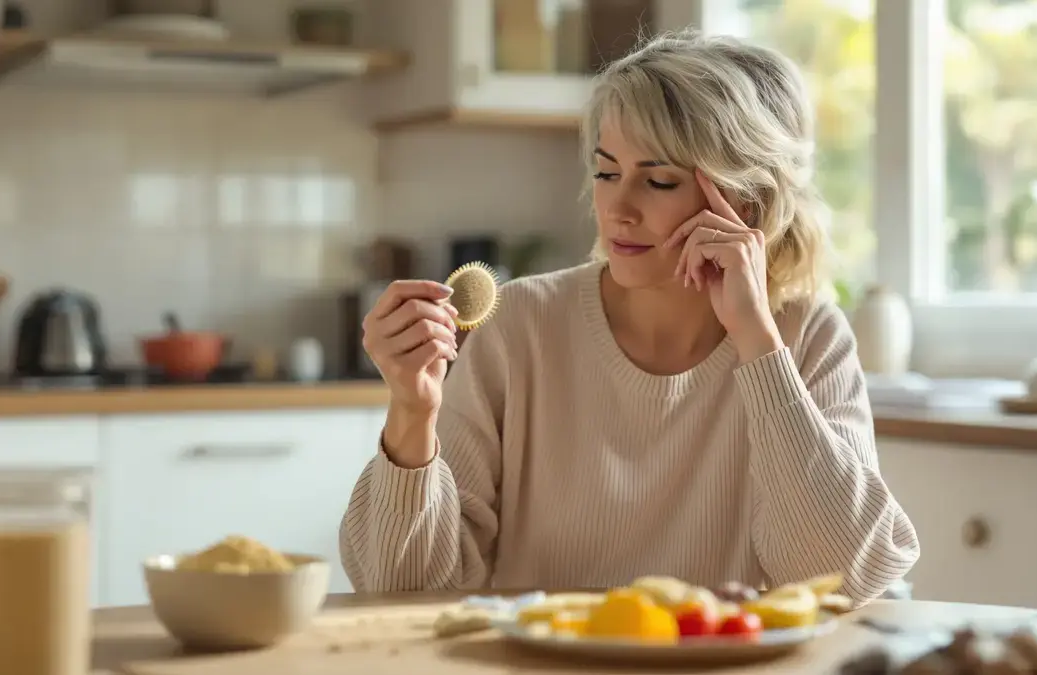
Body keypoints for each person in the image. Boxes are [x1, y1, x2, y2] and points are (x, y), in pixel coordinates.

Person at [339, 29, 920, 605]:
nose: (617, 209)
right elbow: (400, 591)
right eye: (606, 172)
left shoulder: (809, 335)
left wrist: (758, 345)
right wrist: (412, 415)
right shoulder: (519, 326)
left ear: (746, 201)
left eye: (659, 180)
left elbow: (844, 580)